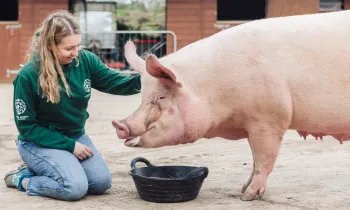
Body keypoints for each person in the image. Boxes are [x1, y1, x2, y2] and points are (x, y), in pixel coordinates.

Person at [3, 10, 141, 201]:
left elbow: (115, 82)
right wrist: (69, 146)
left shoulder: (85, 59)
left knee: (100, 183)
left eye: (78, 45)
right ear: (50, 46)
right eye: (69, 48)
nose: (76, 53)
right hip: (38, 142)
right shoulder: (28, 76)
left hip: (74, 135)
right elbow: (27, 127)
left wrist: (151, 79)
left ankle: (54, 167)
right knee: (74, 188)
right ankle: (23, 179)